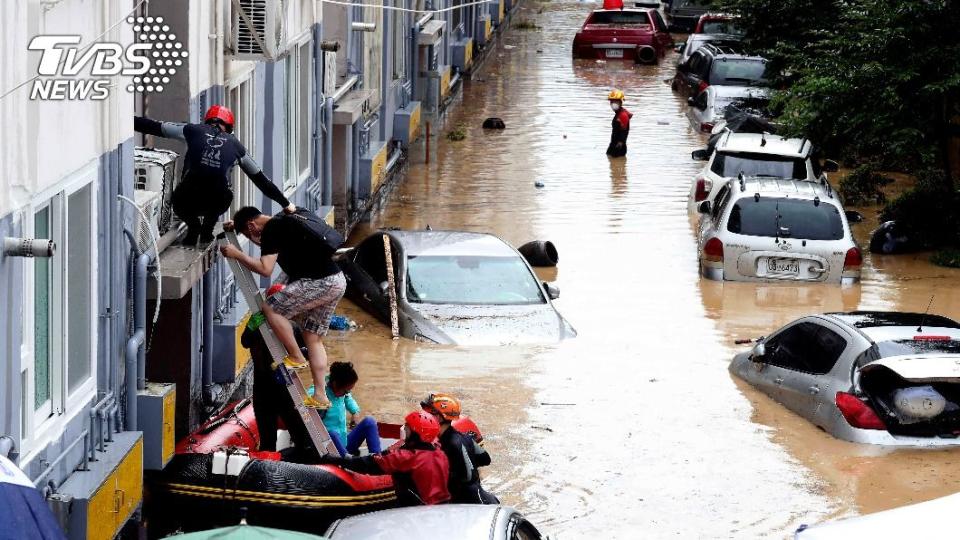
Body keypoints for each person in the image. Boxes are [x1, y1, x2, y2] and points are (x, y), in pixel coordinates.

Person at [221, 206, 346, 409]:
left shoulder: (271, 231)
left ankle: (296, 356)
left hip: (319, 282)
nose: (252, 240)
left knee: (271, 308)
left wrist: (238, 254)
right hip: (337, 279)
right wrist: (238, 225)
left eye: (248, 234)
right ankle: (321, 396)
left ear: (252, 225)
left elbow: (265, 268)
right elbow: (256, 229)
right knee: (312, 336)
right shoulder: (285, 217)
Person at [134, 105, 296, 245]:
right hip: (216, 202)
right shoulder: (237, 147)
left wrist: (127, 121)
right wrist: (286, 204)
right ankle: (207, 230)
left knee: (178, 196)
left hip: (187, 201)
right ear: (230, 128)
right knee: (225, 192)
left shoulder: (192, 130)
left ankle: (194, 225)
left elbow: (154, 127)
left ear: (207, 121)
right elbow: (262, 181)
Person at [317, 410, 451, 506]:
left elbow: (369, 464)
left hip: (416, 509)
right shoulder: (440, 453)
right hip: (443, 506)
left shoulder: (407, 457)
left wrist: (336, 459)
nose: (404, 429)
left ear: (416, 433)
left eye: (408, 427)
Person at [421, 393, 499, 504]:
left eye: (427, 415)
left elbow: (465, 478)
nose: (423, 418)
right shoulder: (465, 437)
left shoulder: (447, 445)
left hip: (472, 505)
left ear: (438, 417)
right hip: (479, 498)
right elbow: (485, 459)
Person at [307, 361, 382, 457]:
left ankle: (378, 459)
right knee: (332, 434)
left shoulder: (341, 390)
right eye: (346, 391)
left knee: (369, 422)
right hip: (328, 449)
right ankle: (348, 462)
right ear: (335, 384)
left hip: (344, 443)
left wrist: (355, 413)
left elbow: (349, 398)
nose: (347, 393)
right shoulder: (316, 393)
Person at [606, 89, 632, 157]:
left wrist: (620, 143)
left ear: (620, 102)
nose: (613, 104)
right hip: (614, 144)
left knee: (615, 163)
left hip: (618, 146)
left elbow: (624, 131)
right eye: (612, 101)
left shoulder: (622, 115)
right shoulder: (619, 113)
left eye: (615, 102)